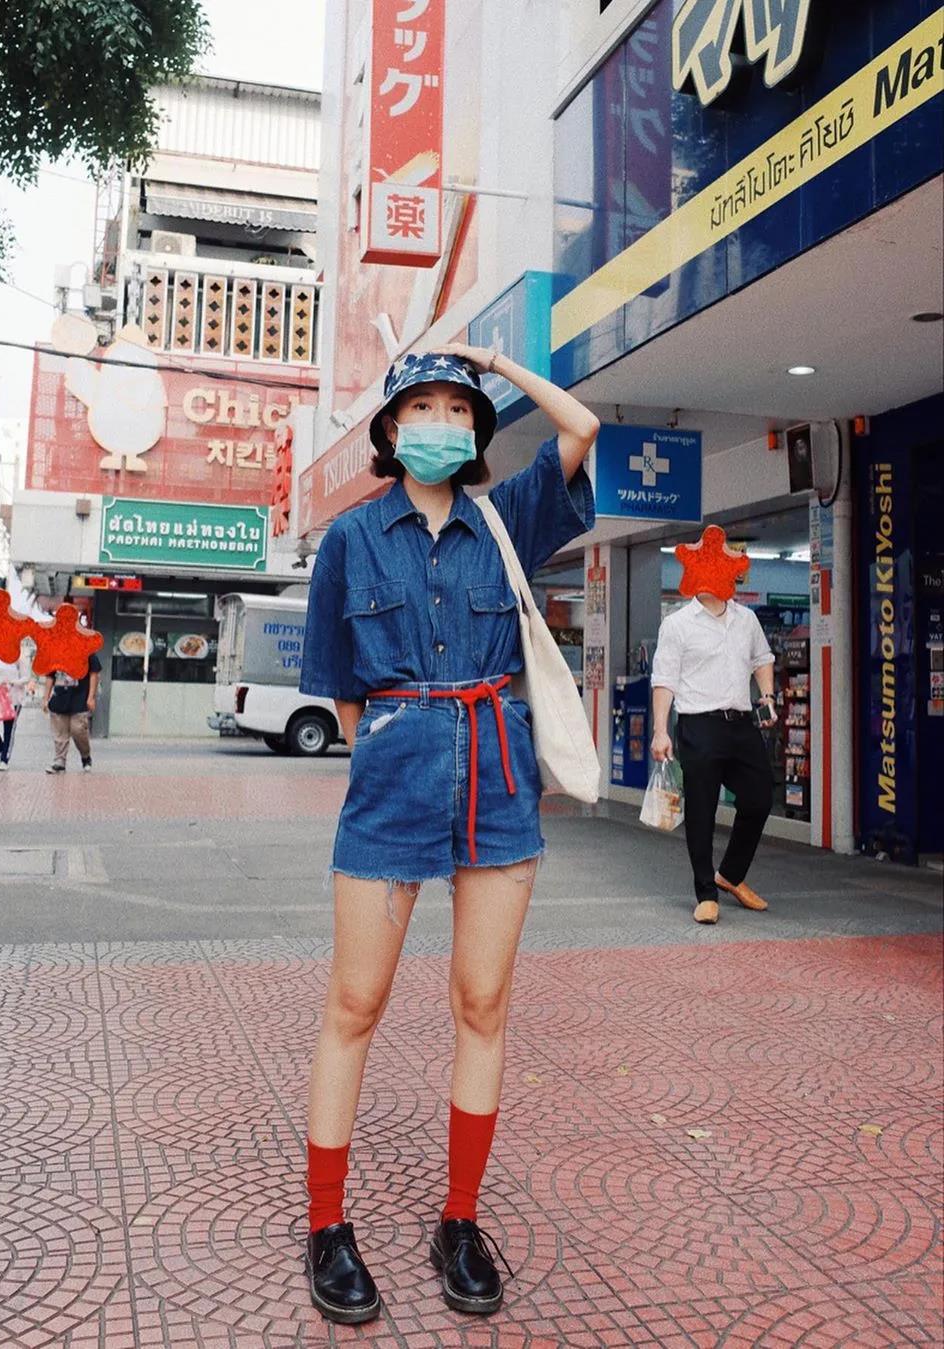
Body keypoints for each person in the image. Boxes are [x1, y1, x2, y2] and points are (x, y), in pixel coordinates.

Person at [298, 347, 598, 1324]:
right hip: (393, 774)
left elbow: (581, 429)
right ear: (390, 431)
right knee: (355, 1001)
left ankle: (458, 1219)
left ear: (474, 429)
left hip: (499, 776)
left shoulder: (506, 518)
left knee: (482, 1001)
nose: (439, 421)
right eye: (418, 406)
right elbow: (340, 687)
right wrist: (396, 745)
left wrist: (495, 362)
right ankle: (327, 1226)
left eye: (455, 408)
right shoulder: (349, 538)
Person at [650, 537, 778, 924]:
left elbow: (762, 659)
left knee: (759, 798)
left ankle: (730, 875)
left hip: (740, 724)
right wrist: (660, 730)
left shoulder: (746, 619)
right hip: (698, 726)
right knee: (702, 810)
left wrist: (767, 696)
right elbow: (664, 680)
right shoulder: (677, 624)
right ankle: (706, 893)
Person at [43, 652, 101, 774]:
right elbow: (50, 676)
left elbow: (94, 675)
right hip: (59, 697)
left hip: (79, 698)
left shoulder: (87, 652)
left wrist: (91, 697)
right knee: (60, 733)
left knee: (78, 729)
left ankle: (85, 756)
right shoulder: (56, 652)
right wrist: (45, 698)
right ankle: (60, 761)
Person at [0, 643, 34, 770]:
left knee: (8, 731)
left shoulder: (20, 654)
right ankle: (2, 750)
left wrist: (12, 682)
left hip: (13, 699)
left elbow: (26, 677)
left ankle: (4, 759)